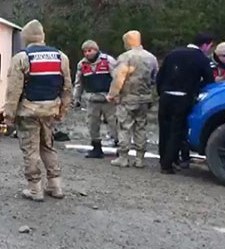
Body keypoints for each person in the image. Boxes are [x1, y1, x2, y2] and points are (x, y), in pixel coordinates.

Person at [3, 20, 72, 202]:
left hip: (28, 112)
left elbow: (14, 90)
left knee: (31, 150)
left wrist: (9, 115)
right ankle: (55, 185)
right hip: (50, 110)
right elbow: (67, 87)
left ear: (25, 38)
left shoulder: (21, 58)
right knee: (48, 146)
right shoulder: (60, 57)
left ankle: (35, 189)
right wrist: (62, 109)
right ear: (43, 36)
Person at [156, 34, 215, 174]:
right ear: (205, 45)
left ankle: (163, 158)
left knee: (164, 129)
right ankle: (169, 163)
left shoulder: (173, 53)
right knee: (177, 130)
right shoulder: (201, 58)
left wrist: (161, 91)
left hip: (166, 95)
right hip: (183, 97)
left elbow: (160, 75)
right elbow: (209, 81)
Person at [107, 30, 158, 168]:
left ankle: (123, 157)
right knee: (141, 127)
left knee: (124, 126)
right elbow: (154, 78)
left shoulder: (126, 57)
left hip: (127, 98)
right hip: (144, 98)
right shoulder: (151, 58)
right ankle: (140, 158)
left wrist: (112, 94)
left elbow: (119, 78)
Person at [72, 40, 118, 158]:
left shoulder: (107, 61)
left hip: (109, 99)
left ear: (96, 50)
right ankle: (96, 147)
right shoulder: (82, 65)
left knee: (114, 123)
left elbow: (117, 79)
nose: (87, 54)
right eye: (85, 52)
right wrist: (76, 98)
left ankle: (120, 147)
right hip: (92, 99)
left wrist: (115, 94)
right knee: (92, 124)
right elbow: (79, 83)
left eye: (90, 51)